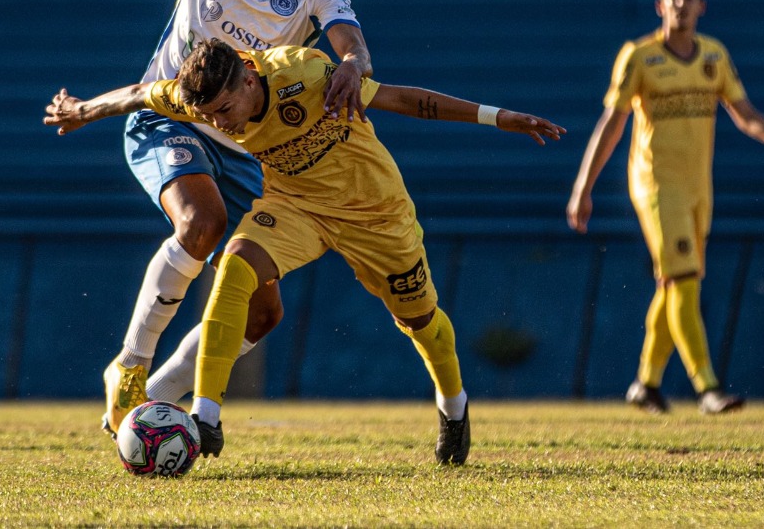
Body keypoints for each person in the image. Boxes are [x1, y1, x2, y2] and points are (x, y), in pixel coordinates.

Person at [28, 0, 375, 434]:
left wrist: (349, 64)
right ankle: (127, 361)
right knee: (203, 221)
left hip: (246, 141)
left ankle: (150, 398)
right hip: (170, 112)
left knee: (262, 308)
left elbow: (349, 38)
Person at [45, 38, 566, 463]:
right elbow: (138, 94)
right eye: (209, 117)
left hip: (375, 213)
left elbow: (406, 101)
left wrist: (500, 117)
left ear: (249, 78)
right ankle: (205, 415)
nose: (222, 125)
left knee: (421, 321)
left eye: (225, 111)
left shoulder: (310, 75)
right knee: (234, 268)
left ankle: (453, 407)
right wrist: (82, 111)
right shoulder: (198, 98)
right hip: (294, 207)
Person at [566, 0, 764, 415]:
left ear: (702, 6)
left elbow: (744, 113)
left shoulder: (713, 55)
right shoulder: (639, 57)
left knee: (677, 284)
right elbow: (612, 124)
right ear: (660, 6)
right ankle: (707, 387)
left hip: (699, 187)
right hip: (656, 186)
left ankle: (646, 383)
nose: (680, 4)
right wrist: (584, 186)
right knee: (682, 279)